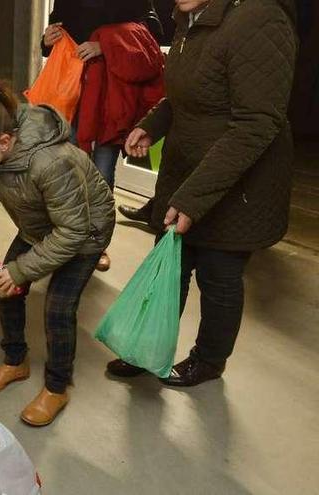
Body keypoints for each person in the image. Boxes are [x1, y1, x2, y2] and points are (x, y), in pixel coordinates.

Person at [109, 0, 298, 387]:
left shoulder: (260, 18)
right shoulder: (188, 18)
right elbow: (188, 94)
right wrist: (152, 125)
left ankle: (209, 361)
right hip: (187, 172)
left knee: (219, 277)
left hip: (237, 185)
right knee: (170, 267)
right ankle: (149, 346)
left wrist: (194, 197)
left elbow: (257, 123)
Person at [0, 82, 115, 427]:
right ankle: (16, 361)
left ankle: (56, 387)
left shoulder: (52, 161)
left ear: (4, 143)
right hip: (41, 226)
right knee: (4, 285)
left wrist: (21, 269)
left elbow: (73, 230)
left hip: (85, 232)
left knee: (58, 307)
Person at [68, 1, 167, 271]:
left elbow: (154, 33)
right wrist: (46, 38)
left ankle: (97, 245)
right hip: (73, 97)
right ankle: (64, 239)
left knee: (101, 179)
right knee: (66, 177)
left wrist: (108, 44)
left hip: (109, 105)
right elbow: (61, 26)